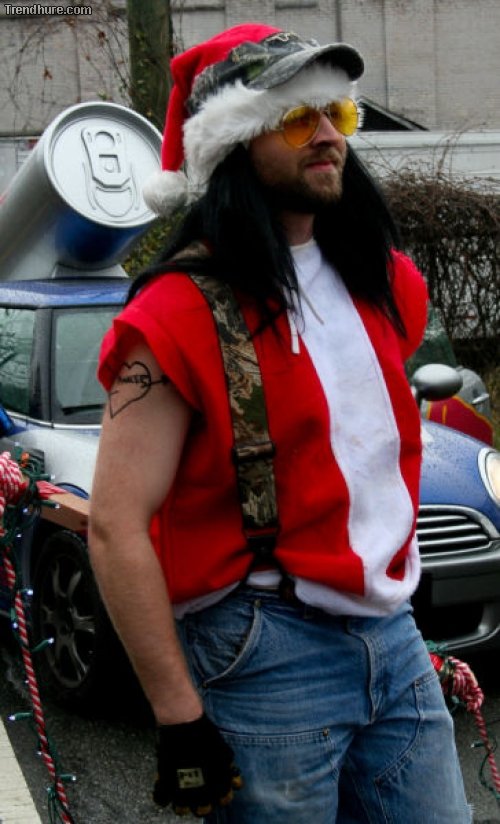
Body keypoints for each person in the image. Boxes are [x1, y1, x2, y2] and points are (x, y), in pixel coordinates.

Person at [88, 23, 472, 823]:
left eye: (337, 113)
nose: (328, 135)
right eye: (298, 118)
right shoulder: (176, 314)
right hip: (266, 650)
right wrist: (178, 715)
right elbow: (116, 526)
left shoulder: (383, 282)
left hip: (395, 636)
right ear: (234, 143)